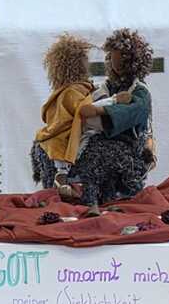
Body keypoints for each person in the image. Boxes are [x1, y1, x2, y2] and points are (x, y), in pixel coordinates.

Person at [31, 28, 156, 209]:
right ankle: (63, 177)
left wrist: (103, 109)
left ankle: (83, 188)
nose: (113, 63)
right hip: (97, 132)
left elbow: (134, 111)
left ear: (132, 62)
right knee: (77, 141)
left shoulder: (139, 91)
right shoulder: (101, 87)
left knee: (92, 150)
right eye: (112, 58)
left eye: (119, 60)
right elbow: (87, 104)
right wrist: (106, 102)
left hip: (126, 138)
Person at [31, 34, 94, 200]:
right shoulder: (74, 91)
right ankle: (62, 173)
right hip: (70, 130)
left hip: (73, 129)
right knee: (59, 140)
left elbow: (56, 117)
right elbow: (65, 118)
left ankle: (62, 175)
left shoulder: (73, 90)